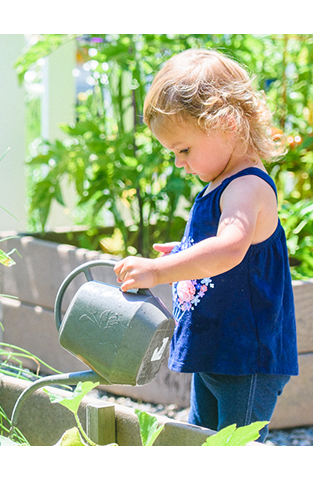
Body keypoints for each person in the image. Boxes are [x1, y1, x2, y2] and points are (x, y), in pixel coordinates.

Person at [113, 48, 298, 443]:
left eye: (184, 149)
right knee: (201, 437)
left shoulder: (247, 185)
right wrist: (184, 249)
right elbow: (217, 243)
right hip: (217, 347)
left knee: (235, 444)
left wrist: (160, 271)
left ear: (227, 124)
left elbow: (230, 248)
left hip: (246, 357)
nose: (180, 163)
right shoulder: (220, 180)